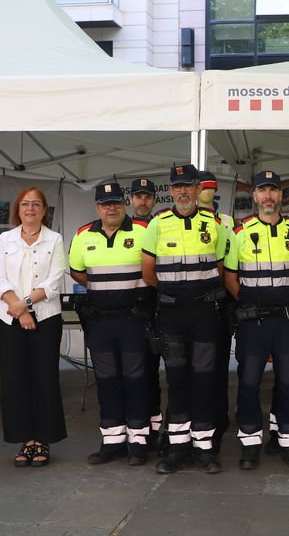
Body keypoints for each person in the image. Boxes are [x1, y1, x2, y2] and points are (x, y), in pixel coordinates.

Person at [141, 164, 228, 474]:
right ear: (171, 189)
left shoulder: (214, 223)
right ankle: (178, 448)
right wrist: (174, 292)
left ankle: (204, 448)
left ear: (198, 189)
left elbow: (220, 268)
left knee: (205, 377)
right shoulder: (158, 224)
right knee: (177, 379)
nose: (183, 192)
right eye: (177, 186)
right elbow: (148, 272)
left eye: (189, 186)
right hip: (172, 313)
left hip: (204, 312)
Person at [224, 170, 289, 470]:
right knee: (248, 383)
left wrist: (283, 301)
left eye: (274, 191)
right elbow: (231, 277)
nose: (268, 196)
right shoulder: (240, 232)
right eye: (263, 190)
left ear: (281, 196)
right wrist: (253, 302)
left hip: (288, 322)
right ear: (255, 196)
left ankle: (288, 442)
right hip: (253, 323)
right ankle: (250, 444)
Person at [70, 183, 154, 466]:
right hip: (101, 322)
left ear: (125, 204)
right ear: (97, 207)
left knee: (135, 379)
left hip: (133, 319)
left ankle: (139, 441)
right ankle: (112, 441)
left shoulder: (143, 231)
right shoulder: (83, 235)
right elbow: (78, 273)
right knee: (107, 381)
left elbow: (153, 269)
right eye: (105, 203)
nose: (111, 208)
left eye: (116, 202)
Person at [0, 187, 66, 468]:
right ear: (18, 209)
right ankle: (25, 440)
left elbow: (54, 281)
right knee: (15, 380)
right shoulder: (5, 239)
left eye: (36, 204)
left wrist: (25, 305)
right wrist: (19, 309)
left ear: (45, 210)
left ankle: (43, 440)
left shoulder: (54, 239)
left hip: (45, 317)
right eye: (25, 204)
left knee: (44, 379)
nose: (30, 209)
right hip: (9, 317)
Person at [197, 170, 234, 451]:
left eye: (209, 188)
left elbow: (230, 264)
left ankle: (217, 424)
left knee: (216, 369)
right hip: (187, 305)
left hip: (219, 305)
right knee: (186, 371)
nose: (205, 193)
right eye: (201, 188)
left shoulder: (227, 222)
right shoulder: (173, 222)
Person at [128, 177, 165, 455]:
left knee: (166, 374)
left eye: (147, 197)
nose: (142, 202)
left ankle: (158, 429)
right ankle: (141, 433)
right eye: (138, 197)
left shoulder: (161, 226)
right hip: (134, 313)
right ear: (131, 199)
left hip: (163, 306)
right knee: (140, 375)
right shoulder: (122, 227)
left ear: (154, 200)